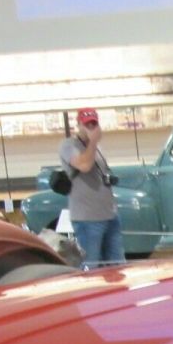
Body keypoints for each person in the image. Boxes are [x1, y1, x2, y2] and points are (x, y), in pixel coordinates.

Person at [59, 108, 125, 267]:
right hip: (87, 219)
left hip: (109, 214)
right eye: (87, 124)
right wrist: (93, 142)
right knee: (92, 263)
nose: (91, 128)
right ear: (78, 125)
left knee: (117, 263)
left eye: (94, 124)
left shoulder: (97, 148)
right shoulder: (68, 145)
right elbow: (85, 165)